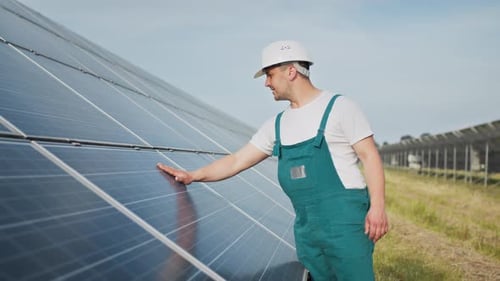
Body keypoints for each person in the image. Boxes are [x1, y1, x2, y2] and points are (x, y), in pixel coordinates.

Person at [157, 40, 389, 281]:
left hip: (344, 225)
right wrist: (194, 175)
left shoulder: (340, 108)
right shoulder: (277, 125)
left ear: (291, 72)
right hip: (307, 229)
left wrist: (378, 208)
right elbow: (237, 161)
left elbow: (369, 156)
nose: (266, 83)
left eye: (269, 75)